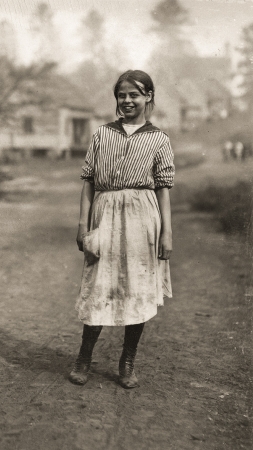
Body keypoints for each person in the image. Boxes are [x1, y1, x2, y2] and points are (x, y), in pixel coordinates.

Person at [70, 70, 174, 389]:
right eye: (122, 95)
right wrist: (82, 224)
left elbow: (163, 188)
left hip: (143, 218)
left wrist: (167, 233)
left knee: (138, 289)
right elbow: (88, 181)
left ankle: (127, 360)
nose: (127, 101)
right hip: (105, 214)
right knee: (98, 285)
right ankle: (84, 357)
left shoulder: (159, 139)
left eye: (134, 95)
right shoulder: (102, 134)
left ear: (148, 98)